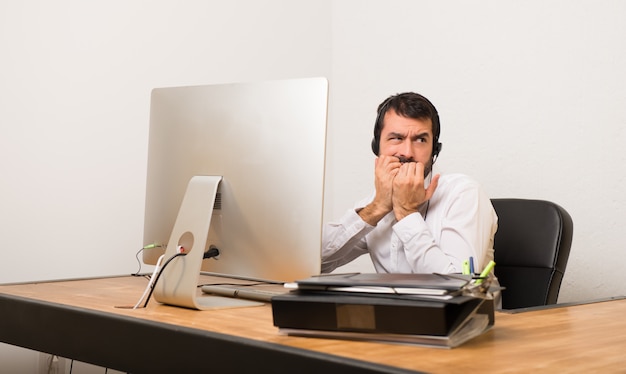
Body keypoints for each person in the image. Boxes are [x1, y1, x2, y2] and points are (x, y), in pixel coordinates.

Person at [322, 92, 497, 277]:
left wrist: (406, 212)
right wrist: (377, 208)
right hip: (391, 306)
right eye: (396, 138)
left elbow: (458, 284)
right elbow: (312, 262)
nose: (407, 152)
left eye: (420, 140)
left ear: (434, 150)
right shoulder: (377, 202)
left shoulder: (464, 193)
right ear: (377, 147)